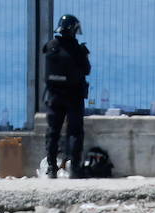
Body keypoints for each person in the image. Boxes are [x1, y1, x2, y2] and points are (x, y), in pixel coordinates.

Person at [42, 15, 91, 178]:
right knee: (75, 132)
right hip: (73, 96)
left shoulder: (50, 46)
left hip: (53, 96)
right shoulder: (77, 50)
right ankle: (75, 168)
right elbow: (86, 70)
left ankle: (51, 167)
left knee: (52, 132)